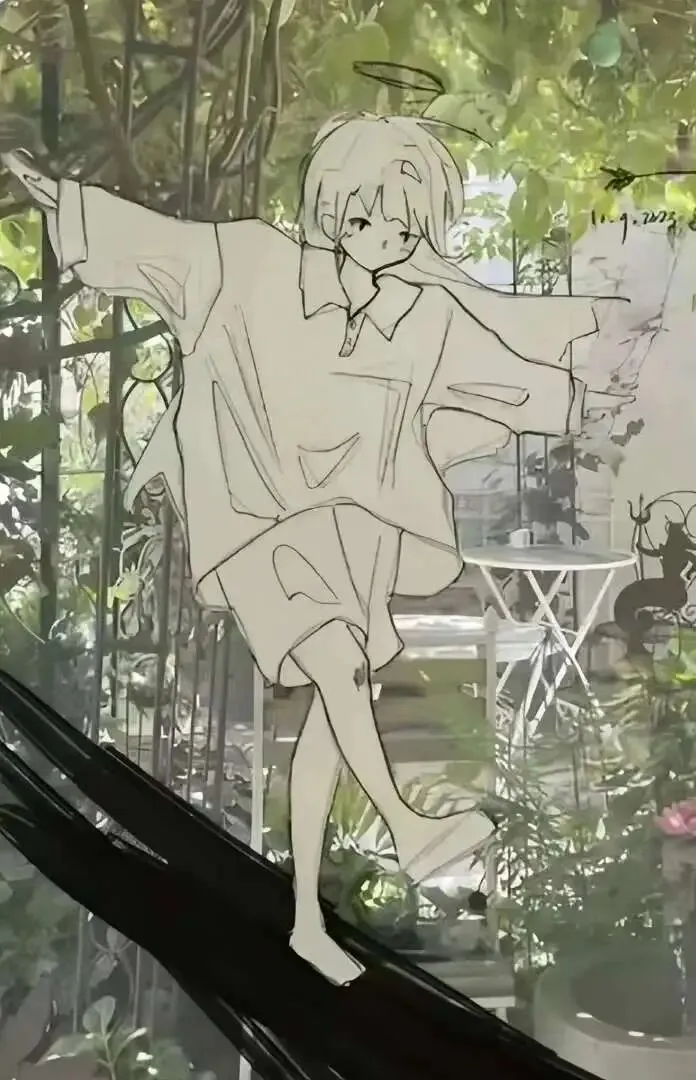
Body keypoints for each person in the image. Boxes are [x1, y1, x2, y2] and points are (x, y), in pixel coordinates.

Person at [2, 113, 629, 985]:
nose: (386, 239)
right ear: (332, 206)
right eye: (369, 217)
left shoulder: (423, 314)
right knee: (338, 664)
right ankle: (407, 825)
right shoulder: (251, 262)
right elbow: (157, 247)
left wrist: (588, 387)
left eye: (405, 228)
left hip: (351, 536)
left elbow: (512, 379)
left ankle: (303, 921)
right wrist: (64, 199)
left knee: (337, 712)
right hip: (258, 522)